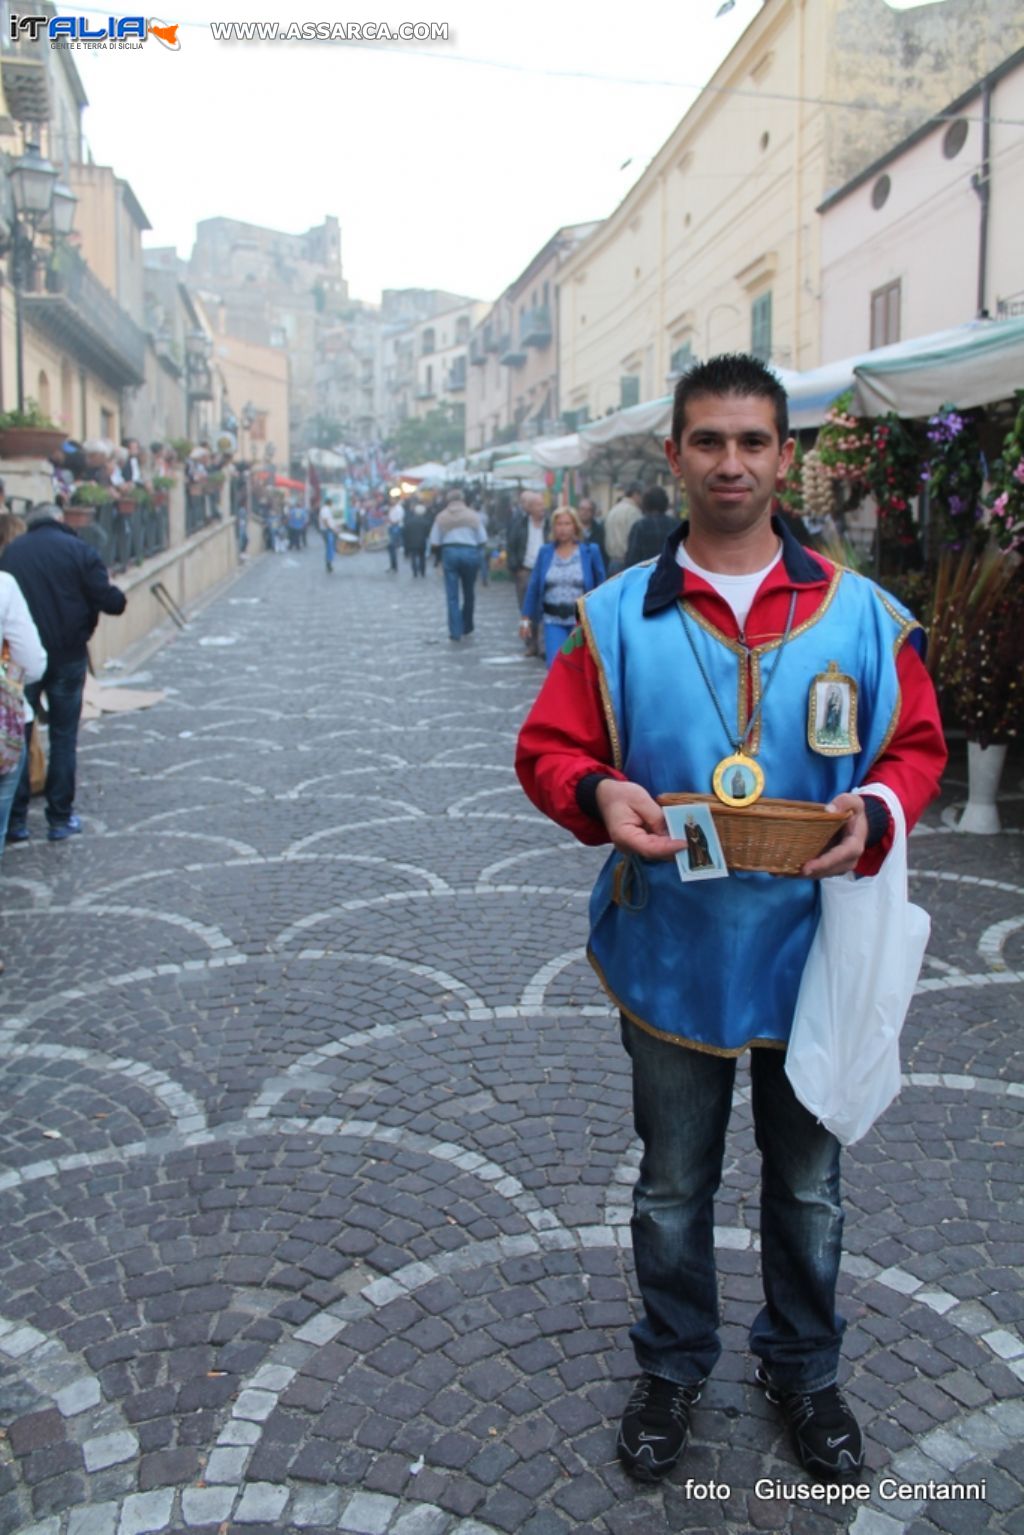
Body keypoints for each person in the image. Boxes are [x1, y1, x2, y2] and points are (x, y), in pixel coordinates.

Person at [515, 354, 946, 1487]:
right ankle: (672, 1362)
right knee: (670, 1184)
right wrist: (598, 794)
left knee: (808, 1186)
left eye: (753, 441)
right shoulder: (611, 618)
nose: (731, 462)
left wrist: (880, 803)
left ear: (784, 456)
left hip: (816, 950)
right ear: (674, 455)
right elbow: (550, 747)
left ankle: (804, 1369)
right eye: (707, 441)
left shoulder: (864, 614)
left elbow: (916, 746)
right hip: (673, 949)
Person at [1, 505, 127, 843]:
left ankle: (15, 821)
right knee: (63, 736)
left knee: (18, 734)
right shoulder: (79, 550)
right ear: (61, 520)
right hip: (68, 653)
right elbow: (112, 602)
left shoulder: (13, 552)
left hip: (21, 659)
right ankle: (59, 818)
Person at [519, 505, 606, 667]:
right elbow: (534, 586)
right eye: (559, 524)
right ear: (553, 527)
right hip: (553, 621)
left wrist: (603, 617)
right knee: (555, 667)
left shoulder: (590, 551)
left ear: (575, 526)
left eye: (567, 524)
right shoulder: (545, 552)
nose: (563, 529)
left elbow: (602, 587)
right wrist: (526, 618)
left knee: (578, 670)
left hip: (581, 623)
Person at [428, 489, 486, 642]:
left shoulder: (441, 517)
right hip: (470, 552)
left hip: (450, 552)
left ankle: (455, 631)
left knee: (452, 595)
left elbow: (434, 541)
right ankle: (467, 625)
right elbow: (482, 538)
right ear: (463, 499)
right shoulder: (473, 516)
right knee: (469, 592)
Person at [506, 492, 548, 656]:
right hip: (526, 570)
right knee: (526, 610)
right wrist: (516, 568)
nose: (542, 508)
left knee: (545, 608)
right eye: (538, 505)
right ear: (529, 508)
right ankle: (530, 643)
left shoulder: (550, 524)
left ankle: (543, 643)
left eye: (542, 504)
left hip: (546, 570)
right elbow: (511, 545)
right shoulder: (520, 524)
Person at [624, 485, 678, 567]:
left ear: (645, 503)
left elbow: (632, 558)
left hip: (646, 575)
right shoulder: (676, 525)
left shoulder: (639, 526)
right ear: (665, 503)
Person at [602, 481, 644, 575]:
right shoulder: (633, 512)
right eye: (642, 495)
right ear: (636, 494)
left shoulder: (613, 509)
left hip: (612, 562)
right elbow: (635, 540)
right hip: (626, 563)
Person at [402, 499, 432, 579]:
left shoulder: (409, 522)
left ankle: (415, 572)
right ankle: (422, 572)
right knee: (422, 557)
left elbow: (406, 533)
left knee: (413, 557)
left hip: (412, 542)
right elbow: (428, 534)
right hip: (422, 542)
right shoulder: (426, 522)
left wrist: (406, 544)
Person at [577, 497, 606, 563]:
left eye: (589, 510)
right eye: (582, 509)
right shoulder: (571, 530)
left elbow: (603, 554)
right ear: (578, 510)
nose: (585, 512)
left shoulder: (600, 530)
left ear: (593, 512)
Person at [319, 497, 340, 573]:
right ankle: (328, 564)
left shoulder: (327, 509)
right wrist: (332, 529)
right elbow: (325, 521)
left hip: (328, 530)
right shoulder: (325, 510)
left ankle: (329, 563)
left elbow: (330, 521)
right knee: (329, 547)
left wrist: (335, 527)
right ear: (330, 502)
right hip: (327, 531)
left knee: (330, 547)